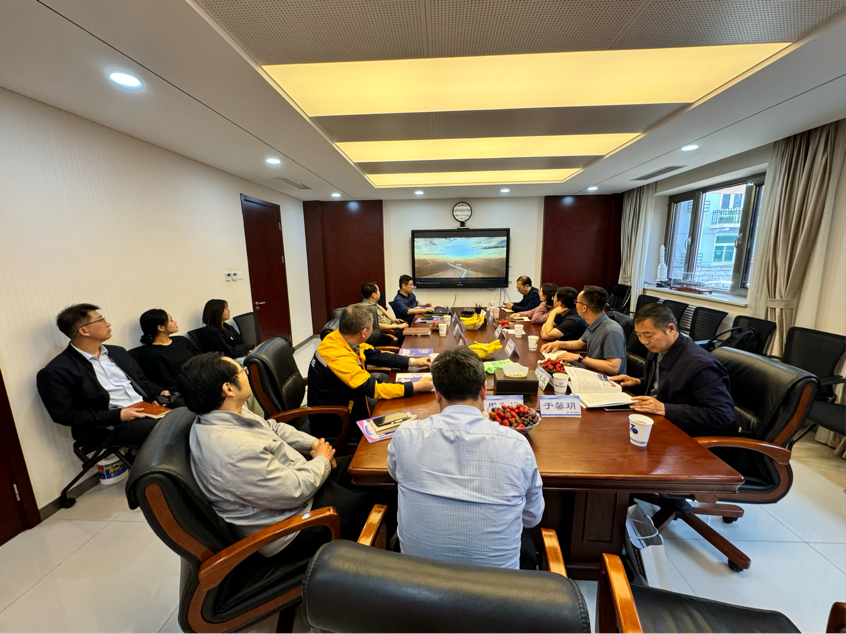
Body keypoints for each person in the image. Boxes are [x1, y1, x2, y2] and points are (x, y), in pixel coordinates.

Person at [182, 352, 380, 557]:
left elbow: (273, 428)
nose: (247, 374)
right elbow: (295, 491)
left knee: (368, 468)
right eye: (242, 371)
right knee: (378, 498)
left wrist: (313, 444)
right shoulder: (235, 450)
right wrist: (322, 459)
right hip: (290, 525)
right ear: (228, 388)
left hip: (295, 482)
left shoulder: (225, 413)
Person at [387, 347, 544, 569]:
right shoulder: (517, 445)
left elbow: (395, 473)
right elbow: (531, 518)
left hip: (416, 585)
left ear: (437, 393)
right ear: (484, 390)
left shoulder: (406, 436)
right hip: (498, 589)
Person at [37, 304, 172, 448]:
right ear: (84, 330)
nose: (108, 324)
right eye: (101, 320)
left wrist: (158, 393)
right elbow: (65, 415)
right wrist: (119, 415)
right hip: (109, 425)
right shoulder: (57, 370)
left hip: (144, 408)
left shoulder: (118, 352)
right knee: (172, 427)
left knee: (186, 410)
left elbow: (142, 381)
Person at [610, 303, 738, 437]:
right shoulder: (658, 348)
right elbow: (664, 386)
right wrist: (638, 382)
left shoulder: (701, 365)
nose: (643, 341)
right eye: (639, 335)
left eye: (648, 335)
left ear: (671, 329)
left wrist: (664, 408)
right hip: (653, 419)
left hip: (683, 432)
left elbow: (721, 415)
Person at [308, 304, 433, 440]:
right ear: (363, 332)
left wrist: (413, 362)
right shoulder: (337, 355)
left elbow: (376, 355)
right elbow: (373, 388)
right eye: (372, 326)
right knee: (406, 425)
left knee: (401, 406)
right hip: (336, 419)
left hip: (348, 400)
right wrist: (415, 386)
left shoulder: (340, 338)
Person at [540, 286, 627, 375]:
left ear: (584, 308)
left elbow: (613, 367)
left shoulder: (611, 331)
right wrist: (559, 344)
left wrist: (579, 358)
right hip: (594, 371)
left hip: (607, 379)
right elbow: (580, 344)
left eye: (576, 302)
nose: (575, 305)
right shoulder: (593, 323)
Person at [134, 309, 199, 392]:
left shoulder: (181, 340)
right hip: (188, 387)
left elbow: (200, 358)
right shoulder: (150, 354)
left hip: (202, 378)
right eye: (171, 320)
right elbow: (166, 382)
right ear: (160, 327)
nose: (175, 322)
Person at [358, 282, 407, 346]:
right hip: (386, 332)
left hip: (391, 325)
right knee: (406, 335)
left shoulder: (372, 303)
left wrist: (392, 319)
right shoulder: (367, 308)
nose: (380, 293)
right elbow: (377, 325)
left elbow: (380, 307)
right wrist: (397, 326)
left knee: (407, 327)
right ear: (374, 295)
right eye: (378, 291)